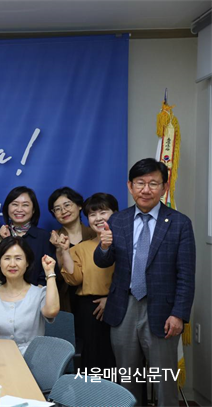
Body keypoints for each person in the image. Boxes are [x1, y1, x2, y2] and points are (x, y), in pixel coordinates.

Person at [93, 158, 195, 406]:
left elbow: (186, 274)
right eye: (140, 183)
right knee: (127, 379)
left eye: (153, 183)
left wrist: (179, 314)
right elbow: (103, 261)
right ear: (130, 186)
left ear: (164, 187)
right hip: (124, 307)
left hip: (163, 311)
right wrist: (104, 246)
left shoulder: (180, 223)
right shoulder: (118, 220)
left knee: (164, 382)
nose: (146, 189)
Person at [59, 193, 119, 371]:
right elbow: (74, 279)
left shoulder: (126, 243)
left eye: (103, 212)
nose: (98, 218)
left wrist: (111, 299)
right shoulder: (81, 248)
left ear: (115, 214)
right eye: (92, 214)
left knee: (118, 358)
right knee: (92, 359)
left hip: (119, 305)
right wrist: (65, 251)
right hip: (89, 310)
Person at [0, 236, 59, 354]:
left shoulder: (39, 294)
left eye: (18, 258)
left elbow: (52, 311)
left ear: (27, 262)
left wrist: (50, 273)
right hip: (0, 359)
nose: (12, 264)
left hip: (32, 360)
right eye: (7, 258)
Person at [47, 187, 96, 312]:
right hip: (65, 299)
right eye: (57, 209)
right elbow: (56, 275)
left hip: (94, 299)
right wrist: (59, 250)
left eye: (67, 205)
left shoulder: (95, 234)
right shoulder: (52, 239)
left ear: (79, 206)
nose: (63, 211)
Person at [0, 186, 55, 286]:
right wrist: (6, 240)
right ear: (7, 208)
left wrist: (37, 291)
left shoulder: (44, 237)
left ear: (33, 210)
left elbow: (50, 270)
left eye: (25, 205)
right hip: (3, 292)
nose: (19, 209)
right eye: (15, 204)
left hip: (38, 292)